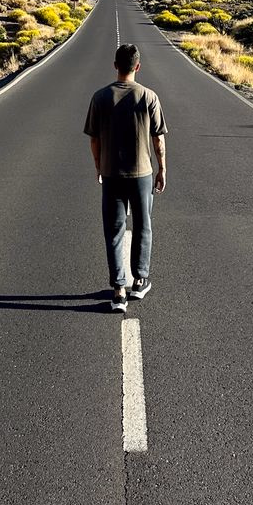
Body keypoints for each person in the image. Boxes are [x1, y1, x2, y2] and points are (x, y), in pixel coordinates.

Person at [84, 42, 167, 312]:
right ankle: (140, 280)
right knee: (143, 226)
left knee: (114, 231)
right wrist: (162, 168)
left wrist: (98, 166)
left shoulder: (100, 97)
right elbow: (158, 139)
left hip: (111, 174)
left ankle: (119, 290)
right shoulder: (149, 97)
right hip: (142, 173)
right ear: (138, 66)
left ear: (115, 65)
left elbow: (94, 139)